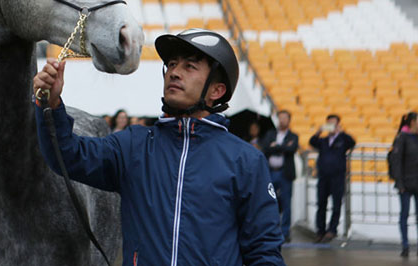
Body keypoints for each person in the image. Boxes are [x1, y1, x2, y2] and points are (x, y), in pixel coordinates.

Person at [33, 29, 284, 265]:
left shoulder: (247, 161)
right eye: (172, 64)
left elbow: (263, 250)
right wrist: (51, 105)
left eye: (189, 66)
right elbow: (69, 155)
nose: (174, 72)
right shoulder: (133, 145)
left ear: (217, 91)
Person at [309, 114, 355, 243]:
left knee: (336, 204)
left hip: (337, 177)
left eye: (334, 124)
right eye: (329, 123)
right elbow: (312, 142)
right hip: (323, 176)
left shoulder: (342, 140)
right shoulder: (323, 140)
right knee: (321, 204)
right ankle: (320, 231)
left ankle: (332, 230)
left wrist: (341, 132)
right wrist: (319, 131)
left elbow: (352, 142)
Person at [261, 110, 299, 242]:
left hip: (285, 173)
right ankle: (269, 230)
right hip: (271, 171)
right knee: (268, 201)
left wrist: (276, 146)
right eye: (280, 118)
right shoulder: (270, 133)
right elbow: (265, 148)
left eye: (284, 118)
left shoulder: (293, 136)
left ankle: (285, 232)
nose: (282, 120)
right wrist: (283, 147)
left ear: (289, 120)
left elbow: (292, 149)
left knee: (286, 203)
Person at [390, 112, 418, 258]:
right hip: (406, 183)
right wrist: (399, 182)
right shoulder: (402, 138)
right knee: (404, 214)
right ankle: (405, 245)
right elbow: (396, 161)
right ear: (413, 122)